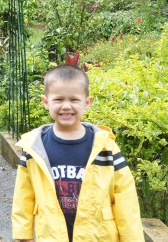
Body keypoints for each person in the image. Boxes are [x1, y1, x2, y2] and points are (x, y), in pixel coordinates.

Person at [11, 64, 144, 242]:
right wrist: (22, 235)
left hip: (98, 235)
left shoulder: (105, 147)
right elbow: (23, 196)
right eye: (58, 100)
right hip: (51, 235)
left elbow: (126, 198)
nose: (66, 106)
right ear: (46, 101)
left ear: (87, 102)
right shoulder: (34, 148)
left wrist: (132, 238)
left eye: (74, 99)